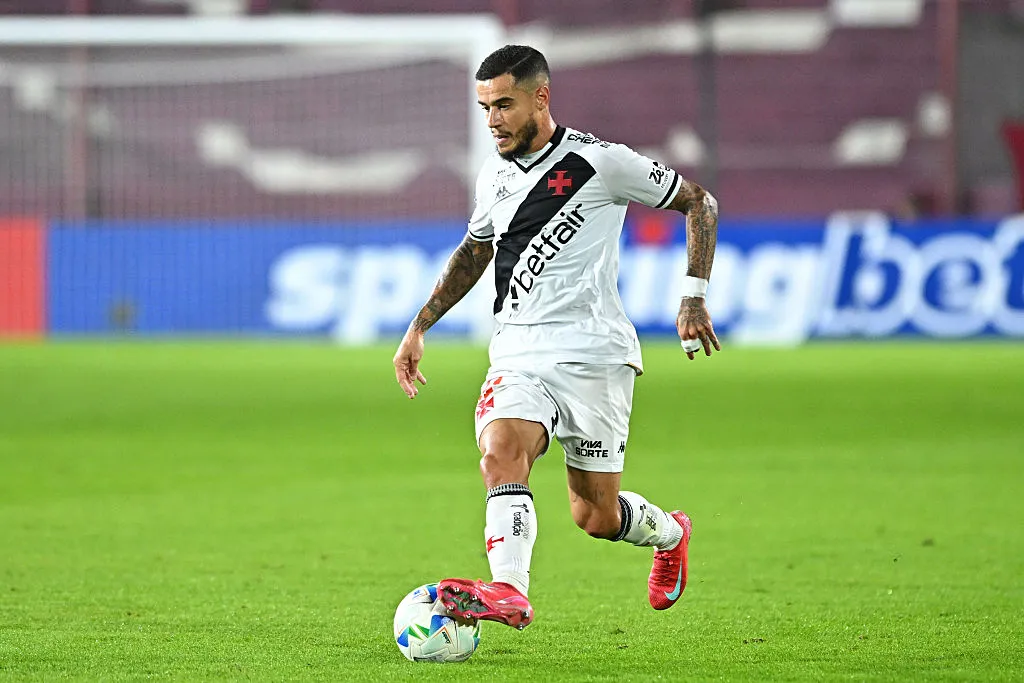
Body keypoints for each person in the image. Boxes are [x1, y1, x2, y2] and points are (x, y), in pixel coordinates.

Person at [392, 45, 720, 630]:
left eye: (504, 105)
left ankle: (671, 533)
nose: (493, 120)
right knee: (501, 451)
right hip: (518, 350)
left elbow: (700, 201)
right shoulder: (492, 175)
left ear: (540, 97)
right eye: (485, 107)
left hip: (596, 355)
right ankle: (509, 591)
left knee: (594, 514)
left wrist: (693, 294)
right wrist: (420, 325)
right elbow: (476, 251)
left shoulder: (601, 162)